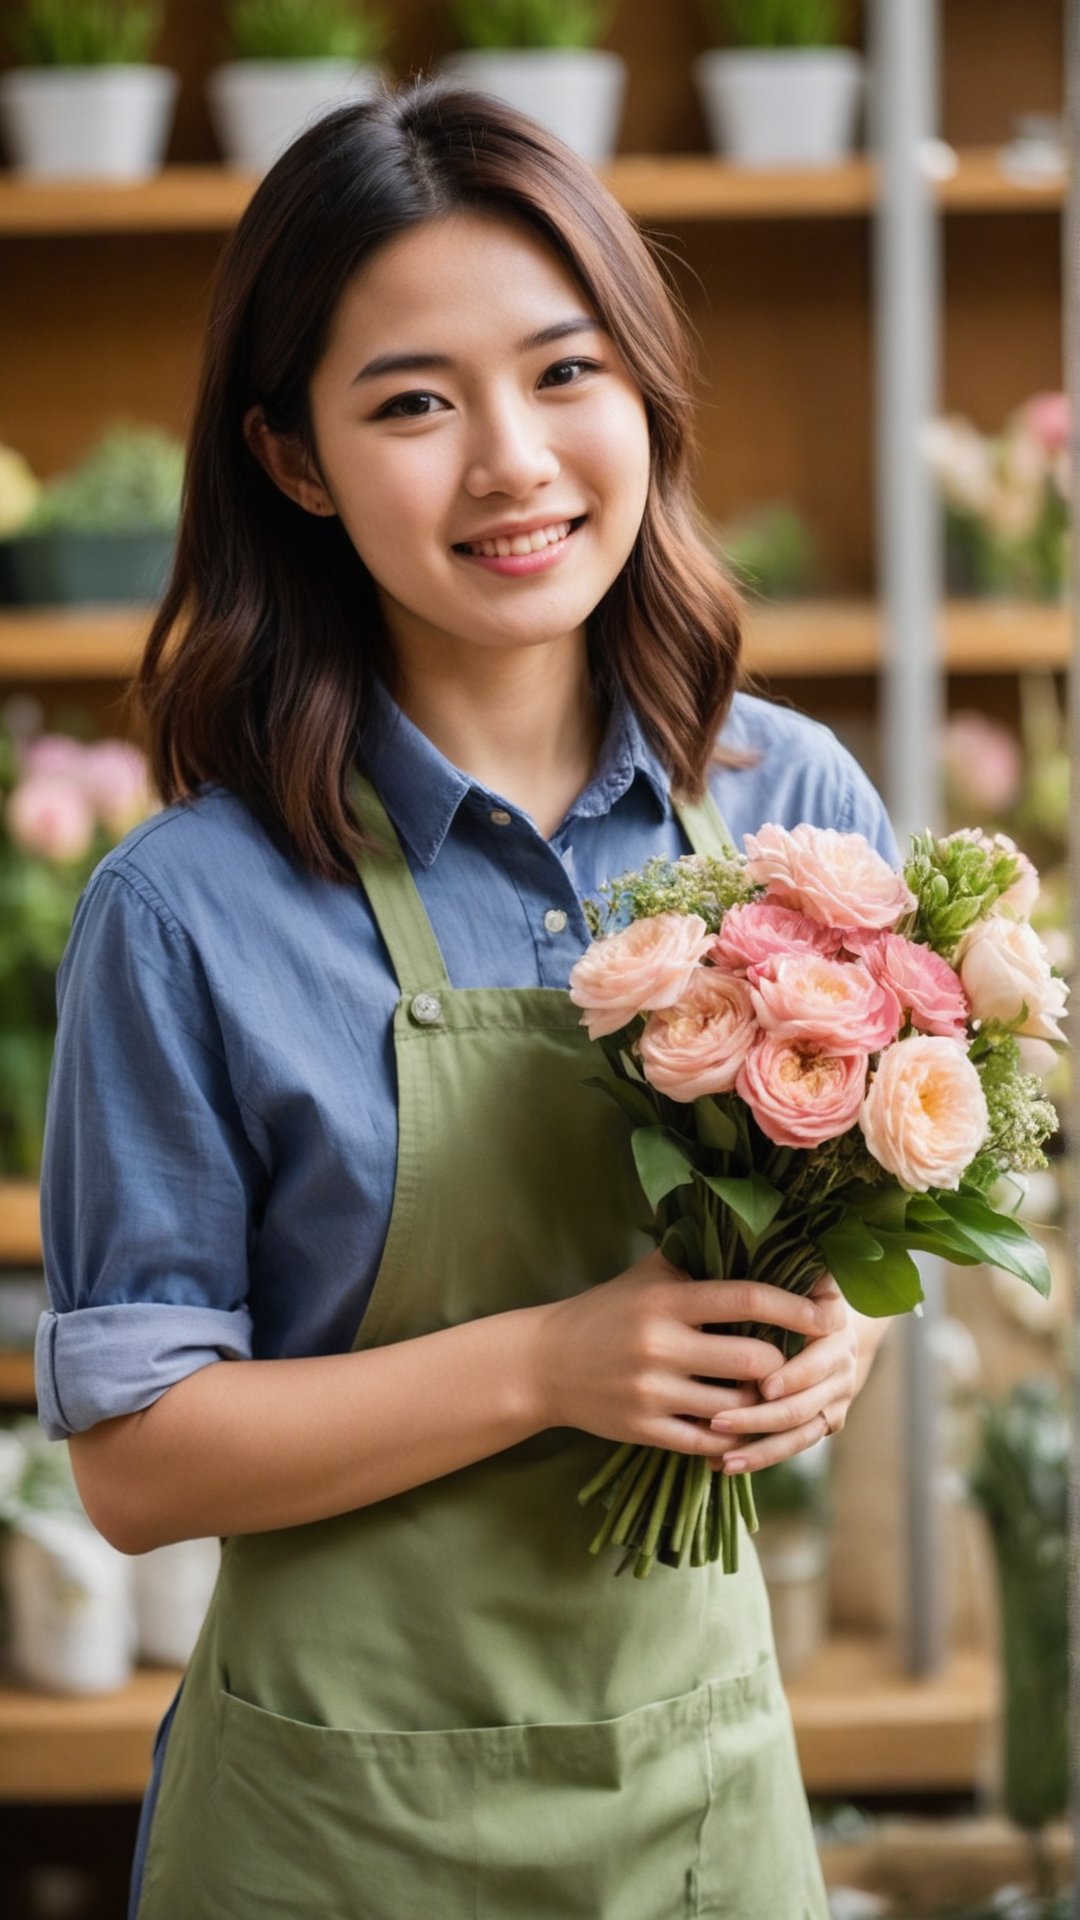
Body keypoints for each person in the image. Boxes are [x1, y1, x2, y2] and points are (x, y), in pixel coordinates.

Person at [36, 76, 897, 1919]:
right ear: (294, 460)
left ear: (643, 390)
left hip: (698, 1805)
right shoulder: (183, 912)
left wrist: (833, 1351)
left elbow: (841, 1262)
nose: (511, 459)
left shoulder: (794, 813)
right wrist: (548, 1362)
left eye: (564, 371)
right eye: (414, 402)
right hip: (325, 1839)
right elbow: (133, 1459)